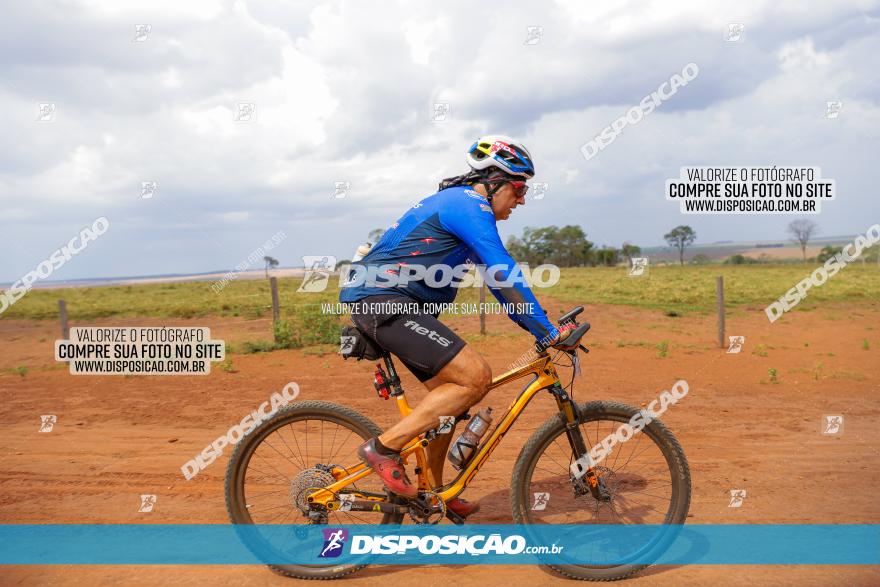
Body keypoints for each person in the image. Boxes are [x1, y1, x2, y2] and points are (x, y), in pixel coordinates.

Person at [340, 135, 577, 518]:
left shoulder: (461, 209)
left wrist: (537, 327)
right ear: (494, 181)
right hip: (383, 301)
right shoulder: (468, 205)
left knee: (452, 403)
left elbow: (499, 285)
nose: (521, 200)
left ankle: (432, 493)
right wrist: (547, 331)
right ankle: (383, 449)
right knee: (475, 377)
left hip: (389, 302)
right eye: (519, 188)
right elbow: (504, 270)